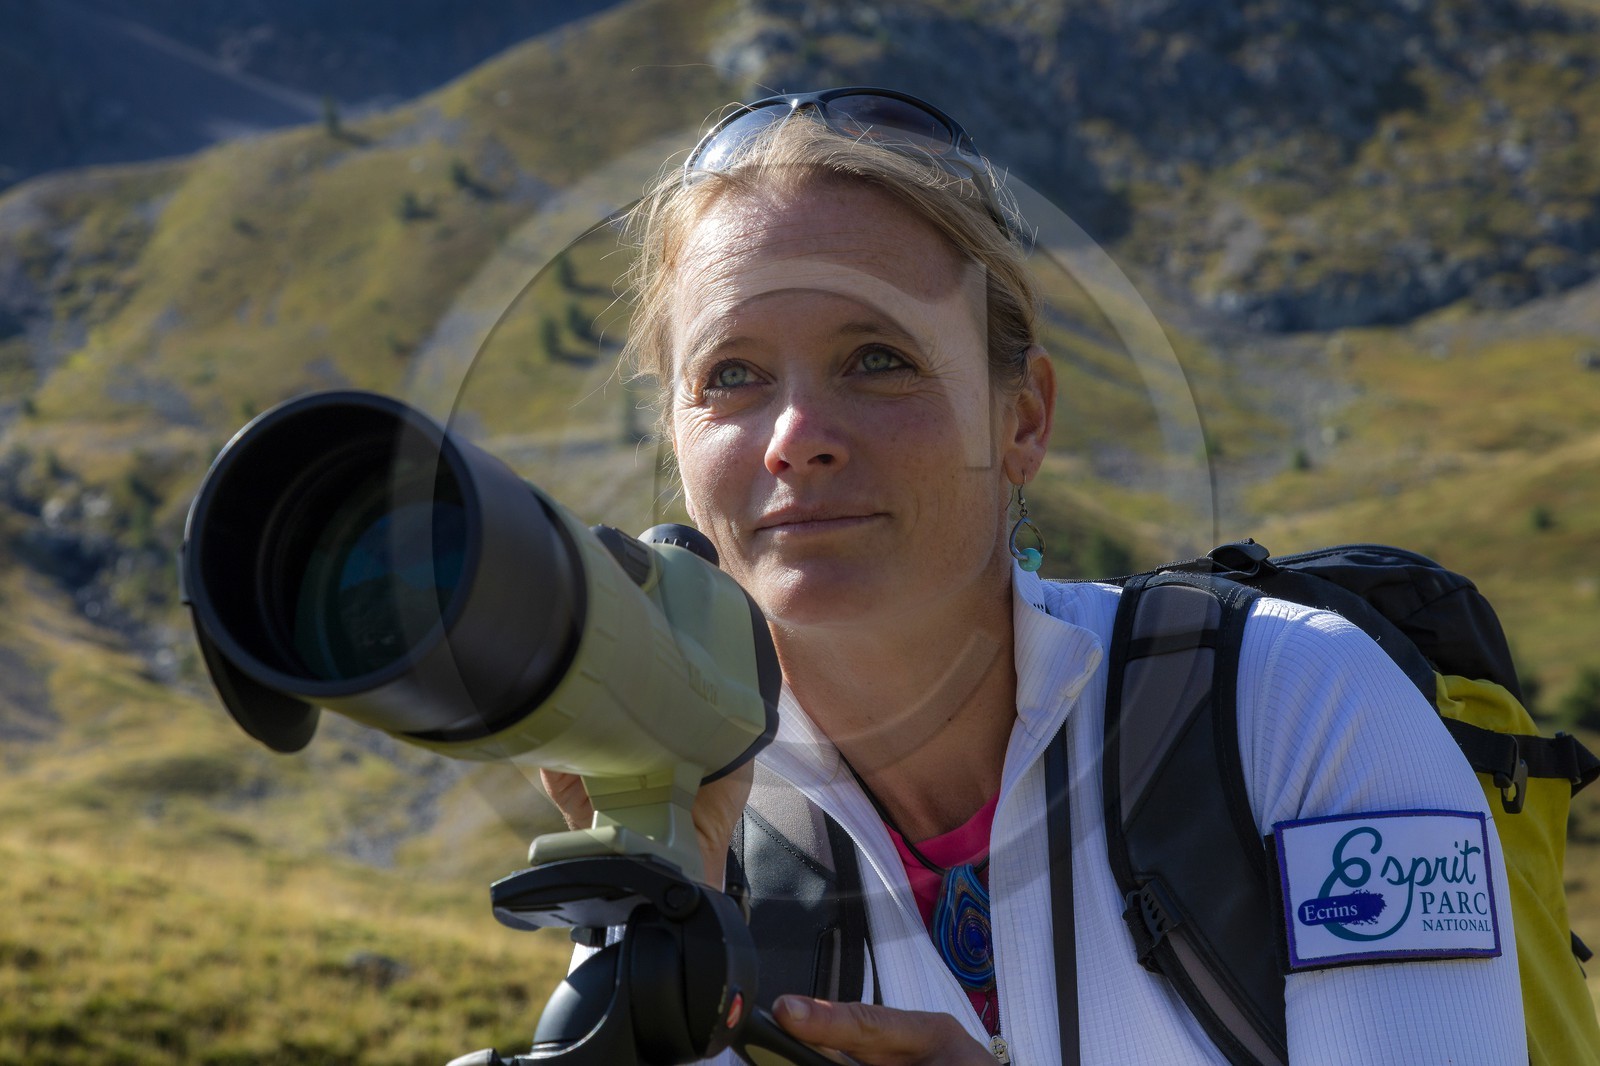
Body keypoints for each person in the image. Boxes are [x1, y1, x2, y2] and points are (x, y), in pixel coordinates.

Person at [542, 88, 1526, 1065]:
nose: (795, 438)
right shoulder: (695, 821)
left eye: (878, 358)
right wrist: (668, 899)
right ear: (675, 436)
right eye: (730, 375)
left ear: (1023, 419)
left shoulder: (1292, 703)